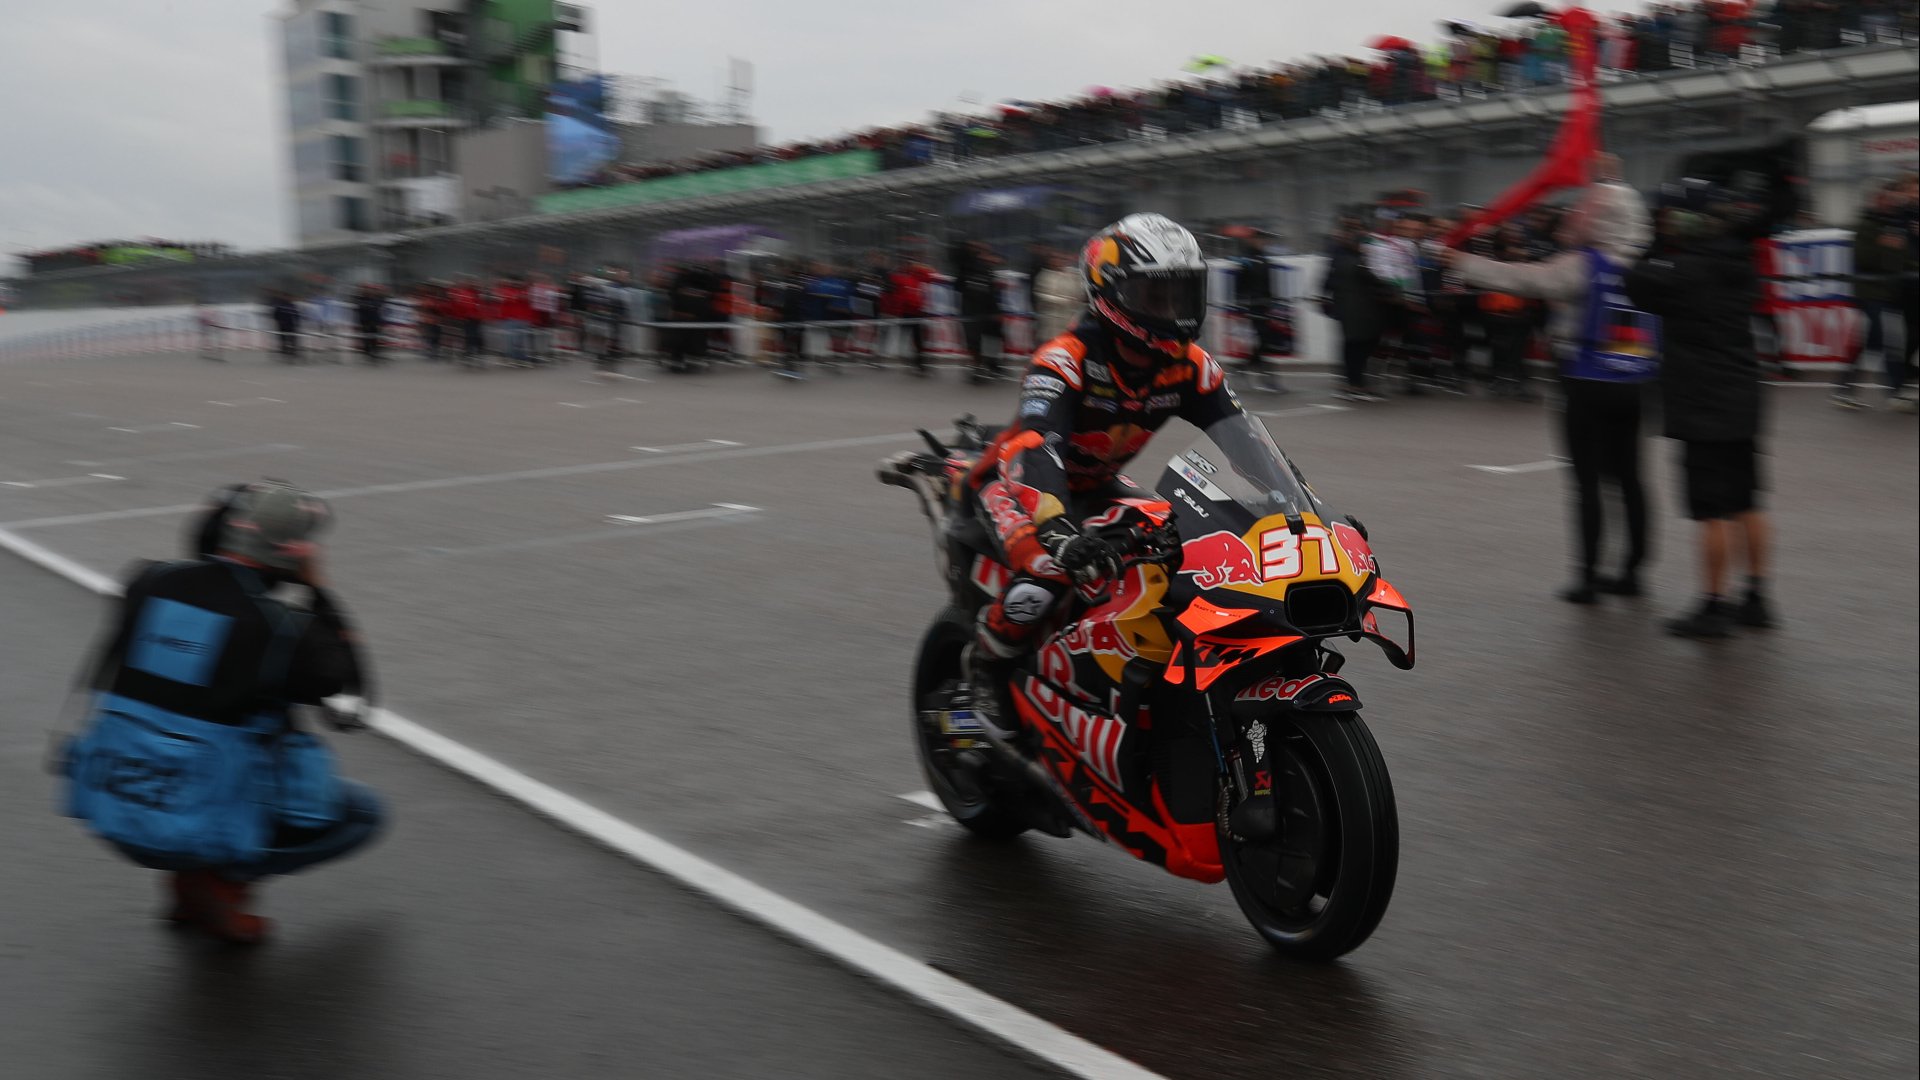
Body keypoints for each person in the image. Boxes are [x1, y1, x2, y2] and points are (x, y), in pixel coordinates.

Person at [62, 480, 382, 944]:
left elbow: (202, 579)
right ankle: (220, 878)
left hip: (113, 808)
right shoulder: (282, 632)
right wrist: (319, 592)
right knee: (364, 813)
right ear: (294, 557)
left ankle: (193, 878)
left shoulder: (145, 583)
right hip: (195, 823)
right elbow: (350, 709)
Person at [963, 213, 1244, 735]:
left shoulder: (1192, 365)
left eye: (1183, 294)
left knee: (1178, 535)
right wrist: (1056, 528)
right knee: (1048, 569)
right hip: (1016, 483)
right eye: (1156, 296)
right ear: (1110, 295)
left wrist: (1301, 508)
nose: (1173, 310)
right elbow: (1036, 445)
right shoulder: (1062, 360)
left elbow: (1244, 441)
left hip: (1094, 484)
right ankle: (985, 665)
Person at [1446, 155, 1657, 603]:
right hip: (1633, 382)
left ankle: (1588, 576)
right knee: (1630, 478)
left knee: (1587, 481)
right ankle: (1633, 570)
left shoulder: (1584, 266)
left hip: (1585, 381)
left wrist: (1460, 261)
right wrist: (1610, 180)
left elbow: (1522, 280)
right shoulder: (1644, 264)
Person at [1627, 178, 1779, 637]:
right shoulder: (1740, 261)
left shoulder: (1681, 270)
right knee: (1747, 502)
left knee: (1710, 511)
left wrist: (1656, 243)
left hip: (1702, 402)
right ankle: (1756, 599)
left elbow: (1635, 282)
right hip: (1742, 394)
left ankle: (1713, 605)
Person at [1319, 210, 1388, 401]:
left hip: (1351, 309)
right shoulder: (1353, 260)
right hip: (1357, 311)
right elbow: (1374, 280)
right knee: (1358, 347)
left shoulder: (1342, 257)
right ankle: (1355, 384)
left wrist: (1325, 298)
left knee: (1354, 346)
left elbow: (1328, 280)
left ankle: (1353, 383)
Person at [1233, 236, 1291, 394]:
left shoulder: (1265, 261)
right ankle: (1268, 377)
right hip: (1253, 306)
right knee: (1263, 340)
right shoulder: (1246, 262)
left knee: (1263, 341)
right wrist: (1242, 304)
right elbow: (1239, 286)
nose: (1262, 243)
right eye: (1259, 240)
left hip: (1265, 306)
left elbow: (1270, 285)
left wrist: (1274, 302)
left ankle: (1242, 367)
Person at [954, 240, 1006, 383]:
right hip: (974, 311)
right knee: (975, 341)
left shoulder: (985, 271)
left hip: (982, 311)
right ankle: (979, 367)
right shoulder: (969, 268)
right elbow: (962, 286)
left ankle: (989, 365)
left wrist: (996, 311)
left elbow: (990, 293)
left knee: (990, 338)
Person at [1029, 246, 1082, 345]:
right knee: (1048, 345)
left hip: (1068, 319)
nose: (1059, 261)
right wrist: (1066, 300)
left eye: (1062, 259)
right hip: (1050, 319)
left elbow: (1079, 295)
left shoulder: (1073, 276)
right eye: (1055, 258)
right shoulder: (1044, 276)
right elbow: (1042, 295)